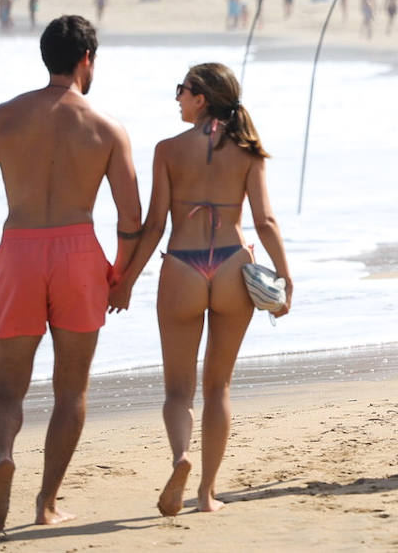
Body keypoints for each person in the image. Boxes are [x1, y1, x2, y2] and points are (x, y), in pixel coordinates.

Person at [0, 15, 143, 531]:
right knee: (71, 391)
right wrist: (122, 274)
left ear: (47, 56)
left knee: (5, 391)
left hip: (17, 253)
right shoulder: (106, 127)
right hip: (79, 256)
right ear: (87, 59)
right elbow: (131, 217)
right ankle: (47, 503)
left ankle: (3, 457)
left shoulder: (5, 117)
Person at [115, 63, 293, 515]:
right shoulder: (249, 150)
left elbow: (155, 225)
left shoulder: (167, 150)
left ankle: (181, 457)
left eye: (183, 90)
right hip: (234, 263)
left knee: (178, 391)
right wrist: (285, 276)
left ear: (202, 98)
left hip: (183, 266)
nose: (176, 98)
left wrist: (127, 282)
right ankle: (207, 494)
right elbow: (265, 221)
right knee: (220, 388)